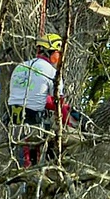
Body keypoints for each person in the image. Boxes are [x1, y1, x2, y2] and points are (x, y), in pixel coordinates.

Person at [7, 33, 77, 168]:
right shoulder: (52, 72)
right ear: (53, 52)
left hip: (13, 122)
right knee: (76, 141)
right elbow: (59, 105)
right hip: (35, 125)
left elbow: (34, 96)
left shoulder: (20, 66)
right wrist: (70, 122)